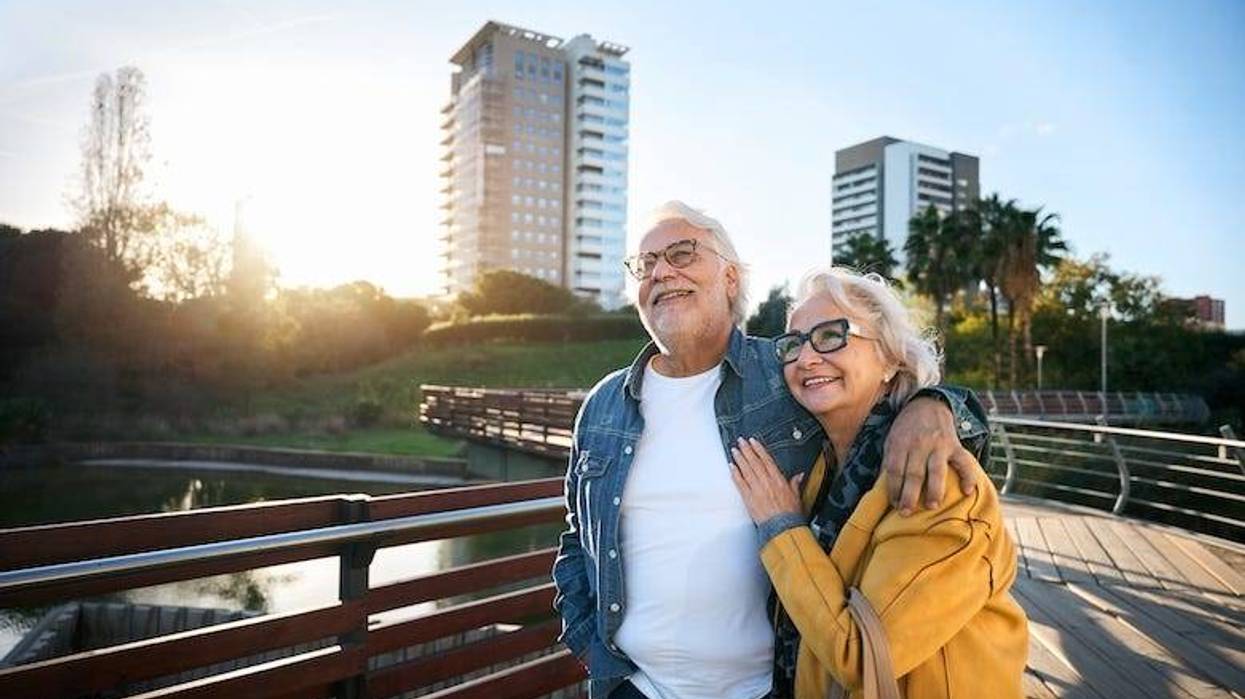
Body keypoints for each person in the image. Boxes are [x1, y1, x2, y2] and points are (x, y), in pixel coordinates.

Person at [552, 201, 990, 699]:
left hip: (766, 688)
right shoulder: (604, 404)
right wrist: (587, 640)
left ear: (731, 278)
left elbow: (874, 391)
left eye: (681, 253)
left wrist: (935, 405)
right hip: (632, 688)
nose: (661, 272)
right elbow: (576, 532)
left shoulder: (785, 374)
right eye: (646, 263)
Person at [730, 267, 1028, 699]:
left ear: (890, 359)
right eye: (793, 345)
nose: (806, 358)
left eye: (832, 335)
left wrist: (781, 526)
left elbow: (864, 657)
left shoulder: (932, 478)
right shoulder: (820, 471)